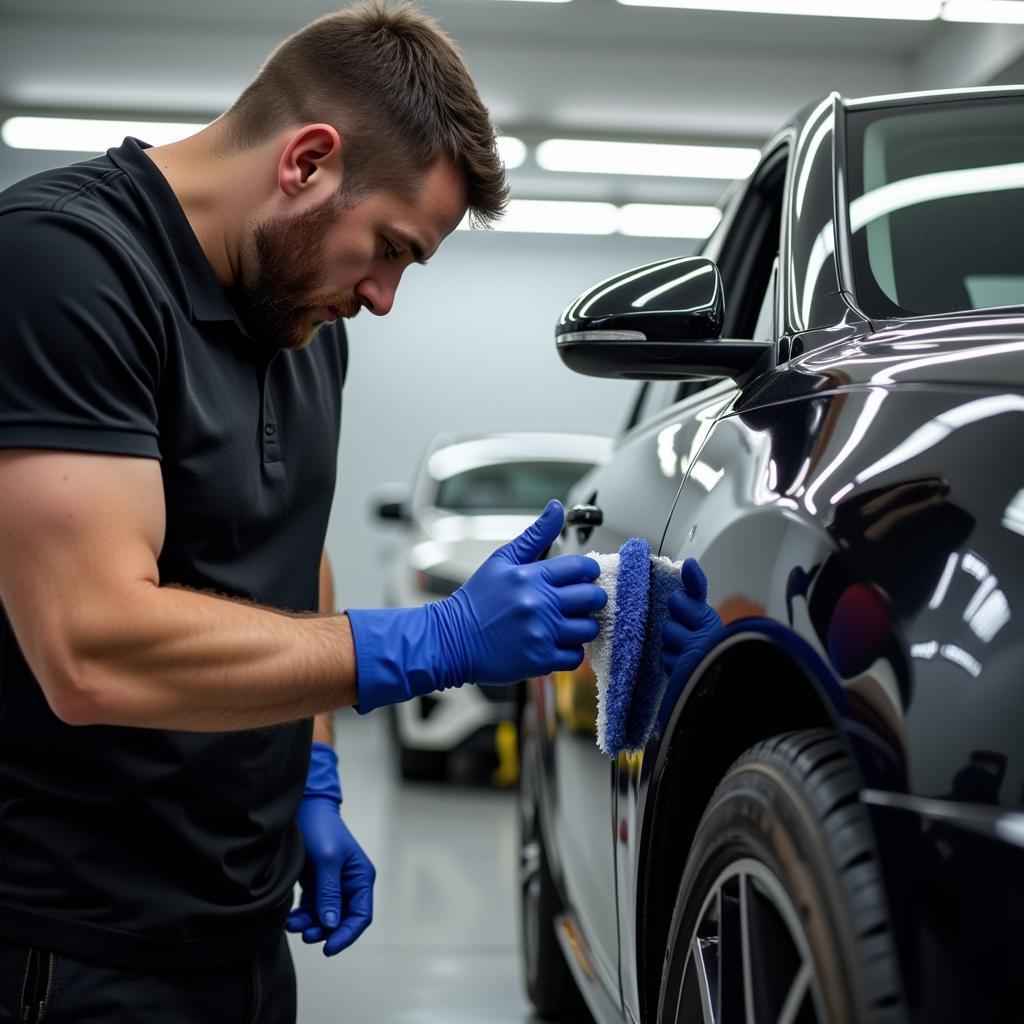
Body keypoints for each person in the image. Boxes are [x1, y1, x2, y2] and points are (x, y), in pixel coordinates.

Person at [0, 3, 606, 1021]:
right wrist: (434, 639)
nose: (382, 298)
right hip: (72, 954)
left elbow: (291, 562)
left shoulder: (302, 326)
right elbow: (90, 646)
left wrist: (315, 770)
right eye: (391, 249)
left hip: (240, 936)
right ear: (307, 162)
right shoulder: (61, 268)